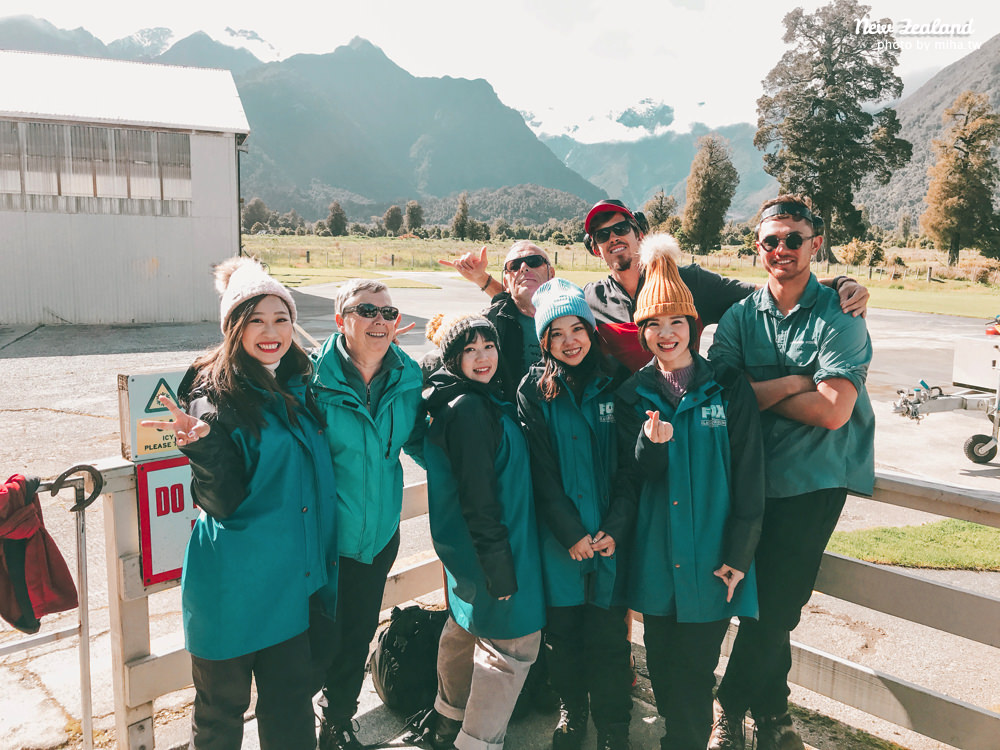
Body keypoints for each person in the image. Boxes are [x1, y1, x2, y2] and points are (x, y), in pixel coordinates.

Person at [140, 257, 338, 750]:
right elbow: (222, 502)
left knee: (291, 709)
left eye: (281, 319)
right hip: (233, 586)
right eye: (256, 321)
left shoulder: (298, 385)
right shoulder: (214, 396)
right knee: (220, 716)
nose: (271, 332)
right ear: (234, 328)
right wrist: (203, 448)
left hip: (292, 584)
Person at [707, 195, 876, 750]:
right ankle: (774, 714)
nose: (783, 249)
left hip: (814, 479)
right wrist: (795, 381)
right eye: (772, 241)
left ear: (815, 244)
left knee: (778, 604)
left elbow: (833, 411)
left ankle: (729, 708)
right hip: (751, 475)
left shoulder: (840, 313)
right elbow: (725, 399)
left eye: (794, 239)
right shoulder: (738, 317)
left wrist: (757, 393)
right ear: (758, 249)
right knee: (754, 602)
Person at [614, 234, 765, 750]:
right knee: (661, 668)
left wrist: (739, 554)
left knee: (697, 674)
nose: (665, 333)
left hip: (712, 562)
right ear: (642, 332)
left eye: (676, 321)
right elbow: (631, 481)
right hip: (656, 562)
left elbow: (749, 477)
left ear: (694, 327)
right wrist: (650, 445)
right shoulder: (633, 394)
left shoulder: (727, 386)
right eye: (653, 323)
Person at [440, 201, 869, 373]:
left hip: (684, 419)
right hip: (619, 432)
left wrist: (835, 283)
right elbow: (534, 304)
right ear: (595, 250)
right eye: (602, 236)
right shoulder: (589, 300)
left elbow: (765, 293)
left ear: (639, 232)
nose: (614, 238)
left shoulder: (687, 280)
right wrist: (485, 281)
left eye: (622, 227)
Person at [412, 316, 546, 750]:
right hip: (496, 548)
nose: (483, 356)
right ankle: (477, 742)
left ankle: (447, 721)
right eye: (470, 350)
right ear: (453, 358)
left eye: (488, 345)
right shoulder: (469, 409)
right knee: (512, 648)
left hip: (472, 550)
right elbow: (479, 499)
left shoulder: (465, 399)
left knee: (464, 628)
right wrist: (499, 568)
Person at [516, 278, 636, 750]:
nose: (570, 341)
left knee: (609, 639)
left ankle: (614, 727)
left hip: (609, 537)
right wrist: (569, 532)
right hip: (559, 540)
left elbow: (632, 467)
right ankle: (572, 712)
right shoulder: (534, 390)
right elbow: (540, 473)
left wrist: (616, 528)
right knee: (563, 636)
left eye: (577, 329)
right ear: (544, 340)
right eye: (557, 333)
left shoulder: (617, 382)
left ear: (591, 330)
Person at [309, 279, 425, 750]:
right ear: (341, 320)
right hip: (321, 541)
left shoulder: (408, 377)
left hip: (377, 537)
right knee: (311, 643)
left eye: (388, 313)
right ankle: (293, 726)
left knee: (355, 638)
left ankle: (336, 724)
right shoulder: (310, 380)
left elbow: (423, 443)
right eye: (366, 311)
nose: (380, 321)